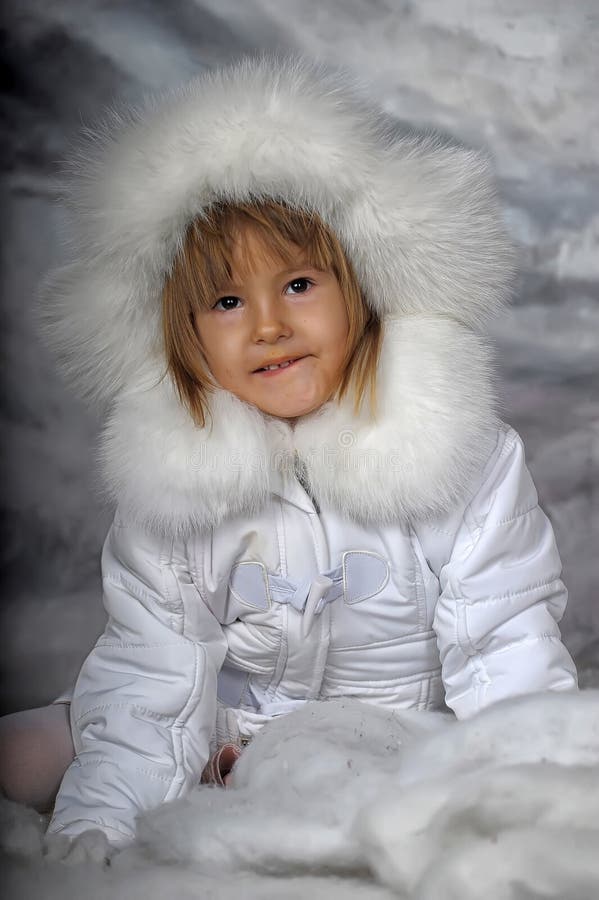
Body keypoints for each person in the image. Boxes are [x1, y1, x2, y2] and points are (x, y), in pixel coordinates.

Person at [0, 56, 577, 849]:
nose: (267, 325)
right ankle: (208, 771)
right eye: (228, 302)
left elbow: (501, 635)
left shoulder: (464, 456)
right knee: (48, 745)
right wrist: (99, 818)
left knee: (352, 781)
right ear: (184, 333)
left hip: (389, 726)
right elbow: (153, 666)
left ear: (362, 289)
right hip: (220, 717)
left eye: (299, 285)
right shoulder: (180, 481)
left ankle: (267, 779)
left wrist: (529, 787)